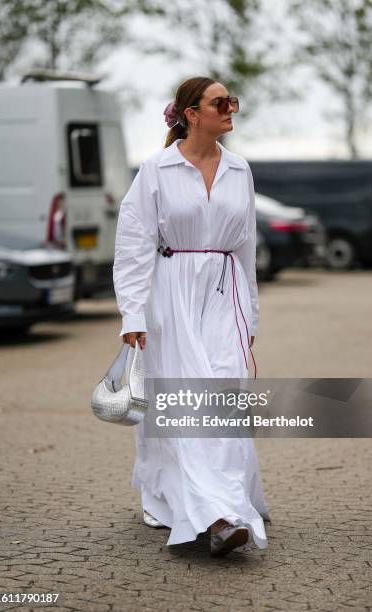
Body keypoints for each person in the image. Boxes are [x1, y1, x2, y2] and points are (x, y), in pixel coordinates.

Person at [113, 75, 271, 556]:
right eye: (219, 102)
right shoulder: (156, 170)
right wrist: (132, 313)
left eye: (232, 101)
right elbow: (134, 244)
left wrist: (251, 315)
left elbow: (245, 248)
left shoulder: (240, 169)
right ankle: (213, 515)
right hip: (171, 293)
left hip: (224, 296)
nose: (230, 109)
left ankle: (223, 502)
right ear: (191, 113)